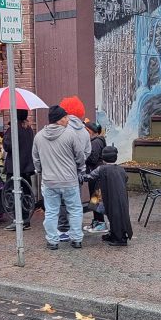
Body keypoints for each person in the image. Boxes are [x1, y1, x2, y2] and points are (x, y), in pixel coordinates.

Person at [33, 105, 89, 250]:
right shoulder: (70, 135)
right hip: (69, 180)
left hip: (49, 181)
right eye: (65, 117)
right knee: (75, 209)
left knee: (51, 212)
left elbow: (36, 159)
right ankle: (76, 239)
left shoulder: (39, 136)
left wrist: (41, 171)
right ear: (58, 120)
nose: (67, 119)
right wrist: (80, 169)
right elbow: (80, 156)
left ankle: (52, 241)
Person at [55, 96, 92, 241]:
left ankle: (63, 229)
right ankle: (75, 230)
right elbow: (87, 151)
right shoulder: (84, 131)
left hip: (63, 171)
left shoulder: (63, 129)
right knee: (75, 202)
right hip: (78, 171)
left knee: (62, 201)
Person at [85, 146, 133, 245]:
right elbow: (126, 179)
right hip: (120, 195)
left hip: (107, 196)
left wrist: (80, 177)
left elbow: (90, 177)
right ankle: (116, 235)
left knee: (112, 214)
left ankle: (119, 239)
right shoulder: (121, 169)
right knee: (119, 215)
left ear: (103, 158)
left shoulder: (101, 169)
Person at [3, 108, 35, 231]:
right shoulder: (28, 128)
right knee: (26, 193)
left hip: (15, 167)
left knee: (13, 193)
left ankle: (17, 220)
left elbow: (7, 146)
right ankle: (26, 220)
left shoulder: (13, 129)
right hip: (27, 166)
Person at [83, 122, 108, 235]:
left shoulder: (96, 142)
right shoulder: (97, 141)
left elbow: (93, 159)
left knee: (96, 199)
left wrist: (83, 157)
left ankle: (100, 224)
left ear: (90, 131)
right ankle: (97, 222)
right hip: (95, 174)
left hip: (96, 175)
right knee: (95, 199)